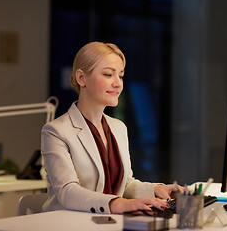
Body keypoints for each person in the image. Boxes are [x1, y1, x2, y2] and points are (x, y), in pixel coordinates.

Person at [41, 41, 179, 214]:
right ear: (81, 78)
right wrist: (119, 204)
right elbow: (67, 192)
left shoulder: (118, 127)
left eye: (120, 76)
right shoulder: (55, 131)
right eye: (108, 75)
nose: (118, 83)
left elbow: (125, 184)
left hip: (106, 223)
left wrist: (155, 190)